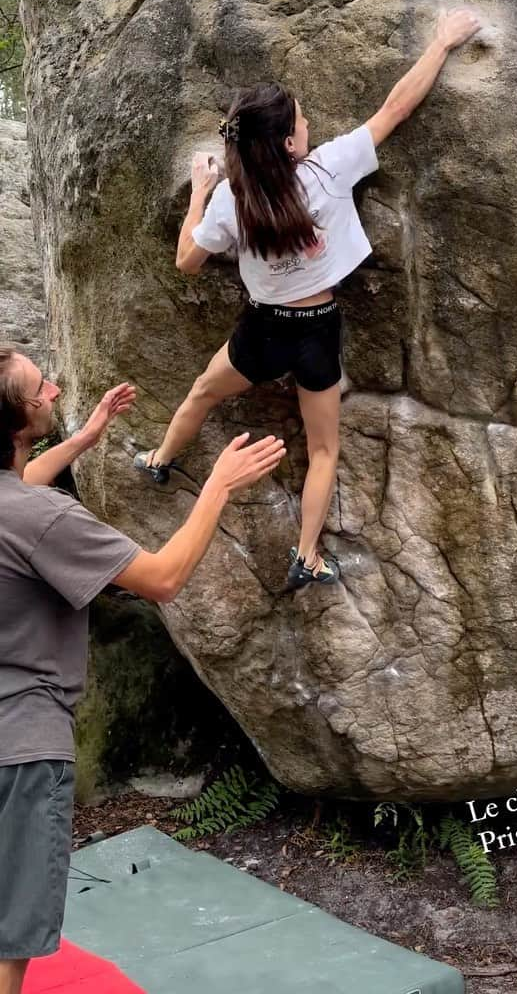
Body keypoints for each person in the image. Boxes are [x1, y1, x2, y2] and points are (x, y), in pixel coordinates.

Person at [133, 7, 485, 593]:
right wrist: (442, 43)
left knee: (201, 391)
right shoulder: (327, 171)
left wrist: (199, 193)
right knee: (323, 450)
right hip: (319, 329)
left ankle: (159, 460)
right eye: (301, 119)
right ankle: (307, 555)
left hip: (262, 333)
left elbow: (187, 263)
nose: (308, 121)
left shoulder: (231, 201)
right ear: (290, 142)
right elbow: (397, 106)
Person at [0, 345, 285, 994]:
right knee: (9, 940)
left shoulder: (16, 505)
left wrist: (86, 438)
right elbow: (162, 578)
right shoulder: (44, 519)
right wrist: (217, 486)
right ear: (20, 418)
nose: (55, 387)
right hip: (21, 750)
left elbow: (21, 488)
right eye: (41, 385)